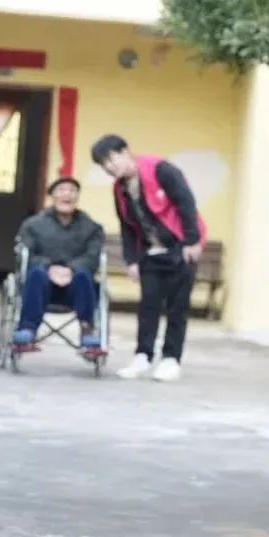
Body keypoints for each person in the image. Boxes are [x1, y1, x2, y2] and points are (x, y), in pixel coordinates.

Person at [92, 135, 203, 382]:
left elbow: (186, 203)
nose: (109, 167)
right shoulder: (119, 189)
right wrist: (131, 260)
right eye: (103, 164)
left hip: (180, 245)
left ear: (125, 152)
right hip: (150, 250)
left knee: (177, 306)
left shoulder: (162, 170)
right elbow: (126, 226)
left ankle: (171, 359)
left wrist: (191, 241)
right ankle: (142, 356)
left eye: (111, 159)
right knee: (148, 306)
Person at [12, 176, 106, 354]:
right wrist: (50, 268)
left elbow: (93, 256)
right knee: (37, 273)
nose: (67, 195)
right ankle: (27, 330)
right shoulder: (33, 225)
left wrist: (71, 269)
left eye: (72, 191)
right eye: (62, 190)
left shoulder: (92, 228)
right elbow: (26, 255)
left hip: (76, 288)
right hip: (42, 287)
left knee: (84, 274)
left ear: (77, 197)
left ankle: (87, 329)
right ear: (52, 196)